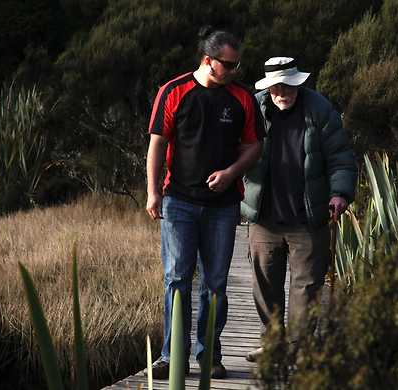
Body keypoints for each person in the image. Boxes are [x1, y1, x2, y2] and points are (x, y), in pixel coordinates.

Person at [144, 28, 262, 379]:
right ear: (208, 61)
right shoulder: (174, 91)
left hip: (223, 206)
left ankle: (209, 354)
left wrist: (230, 173)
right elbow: (156, 144)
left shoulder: (242, 97)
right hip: (178, 201)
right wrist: (153, 192)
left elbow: (255, 147)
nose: (235, 70)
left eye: (238, 64)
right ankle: (171, 356)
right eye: (228, 64)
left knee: (215, 283)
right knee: (177, 277)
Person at [241, 57, 357, 362]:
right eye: (277, 86)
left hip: (308, 217)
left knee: (306, 286)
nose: (283, 92)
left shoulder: (319, 109)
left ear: (299, 82)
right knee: (265, 284)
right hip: (264, 217)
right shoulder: (253, 108)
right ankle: (273, 342)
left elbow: (341, 157)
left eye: (289, 85)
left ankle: (298, 348)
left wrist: (340, 193)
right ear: (268, 87)